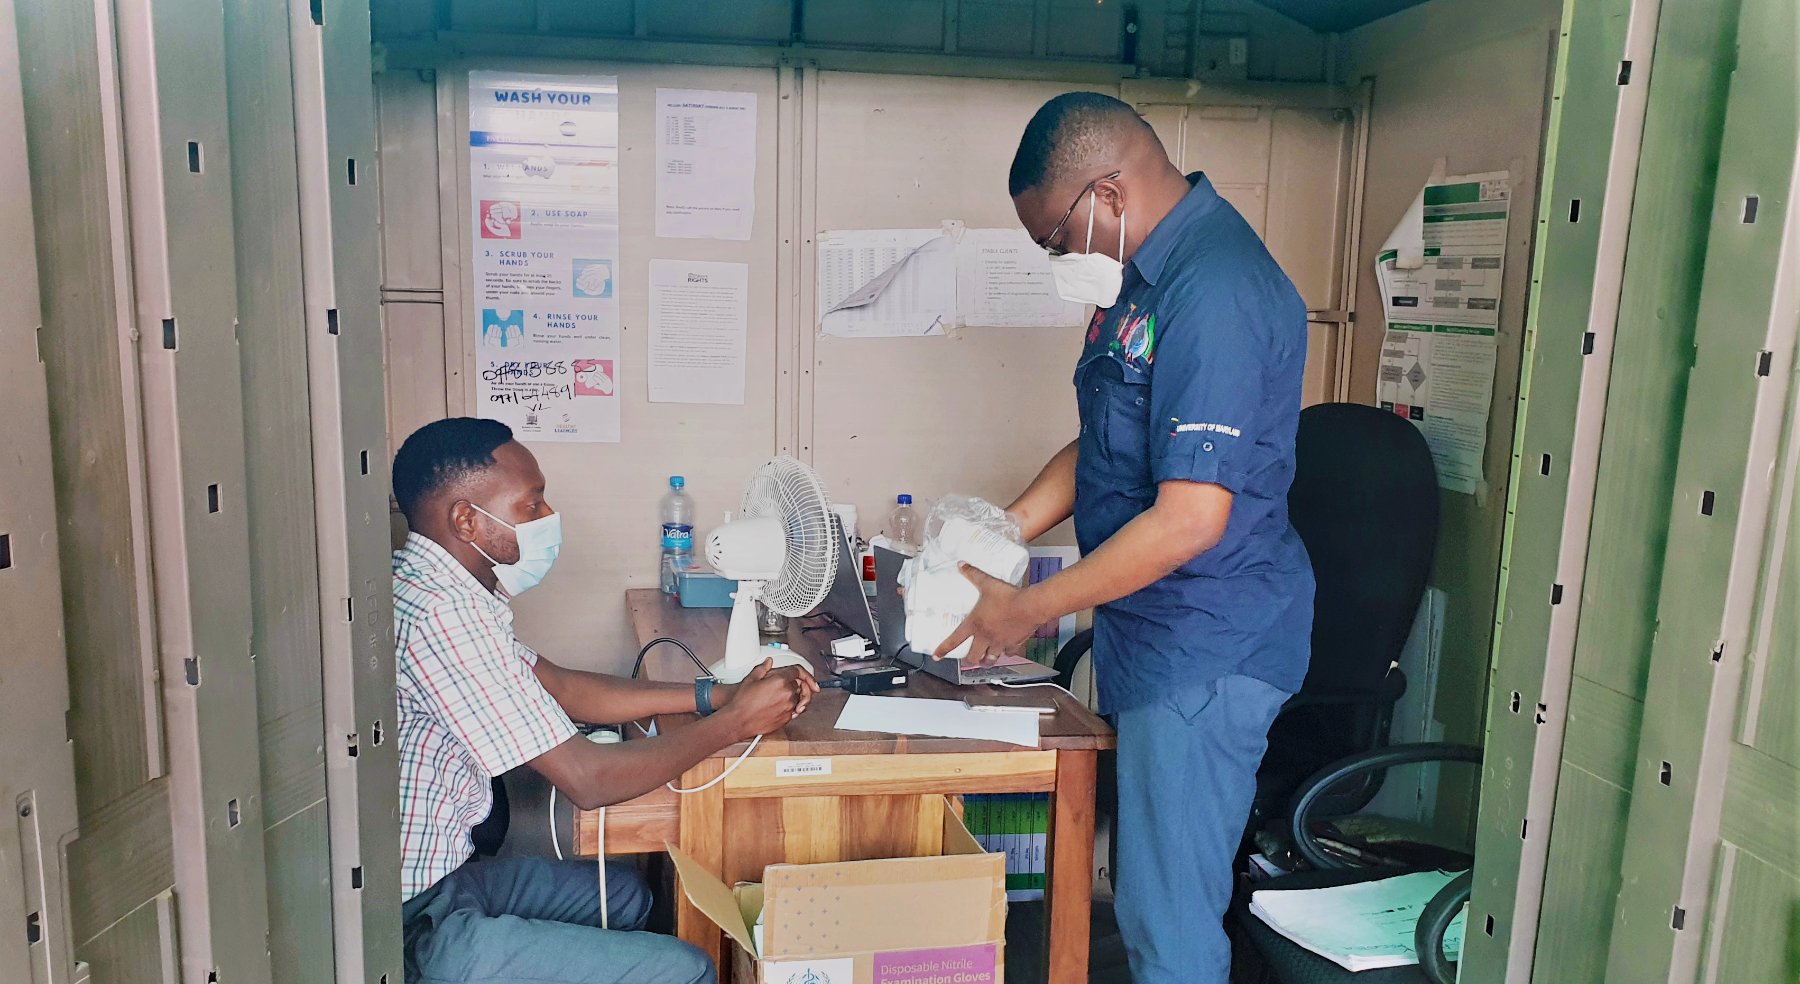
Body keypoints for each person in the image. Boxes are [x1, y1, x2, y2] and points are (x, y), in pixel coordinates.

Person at [936, 92, 1314, 983]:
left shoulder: (1216, 291)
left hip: (1206, 647)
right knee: (1149, 901)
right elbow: (1107, 441)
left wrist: (1025, 607)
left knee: (1165, 923)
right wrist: (1003, 528)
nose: (1056, 260)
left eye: (1054, 239)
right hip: (1150, 635)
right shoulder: (1138, 283)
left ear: (1107, 192)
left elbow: (1191, 518)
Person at [390, 416, 817, 984]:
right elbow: (588, 780)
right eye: (532, 504)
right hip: (416, 922)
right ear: (466, 519)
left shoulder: (439, 588)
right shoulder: (442, 617)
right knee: (688, 970)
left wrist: (714, 695)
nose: (548, 517)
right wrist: (737, 722)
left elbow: (563, 686)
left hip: (443, 880)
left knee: (629, 897)